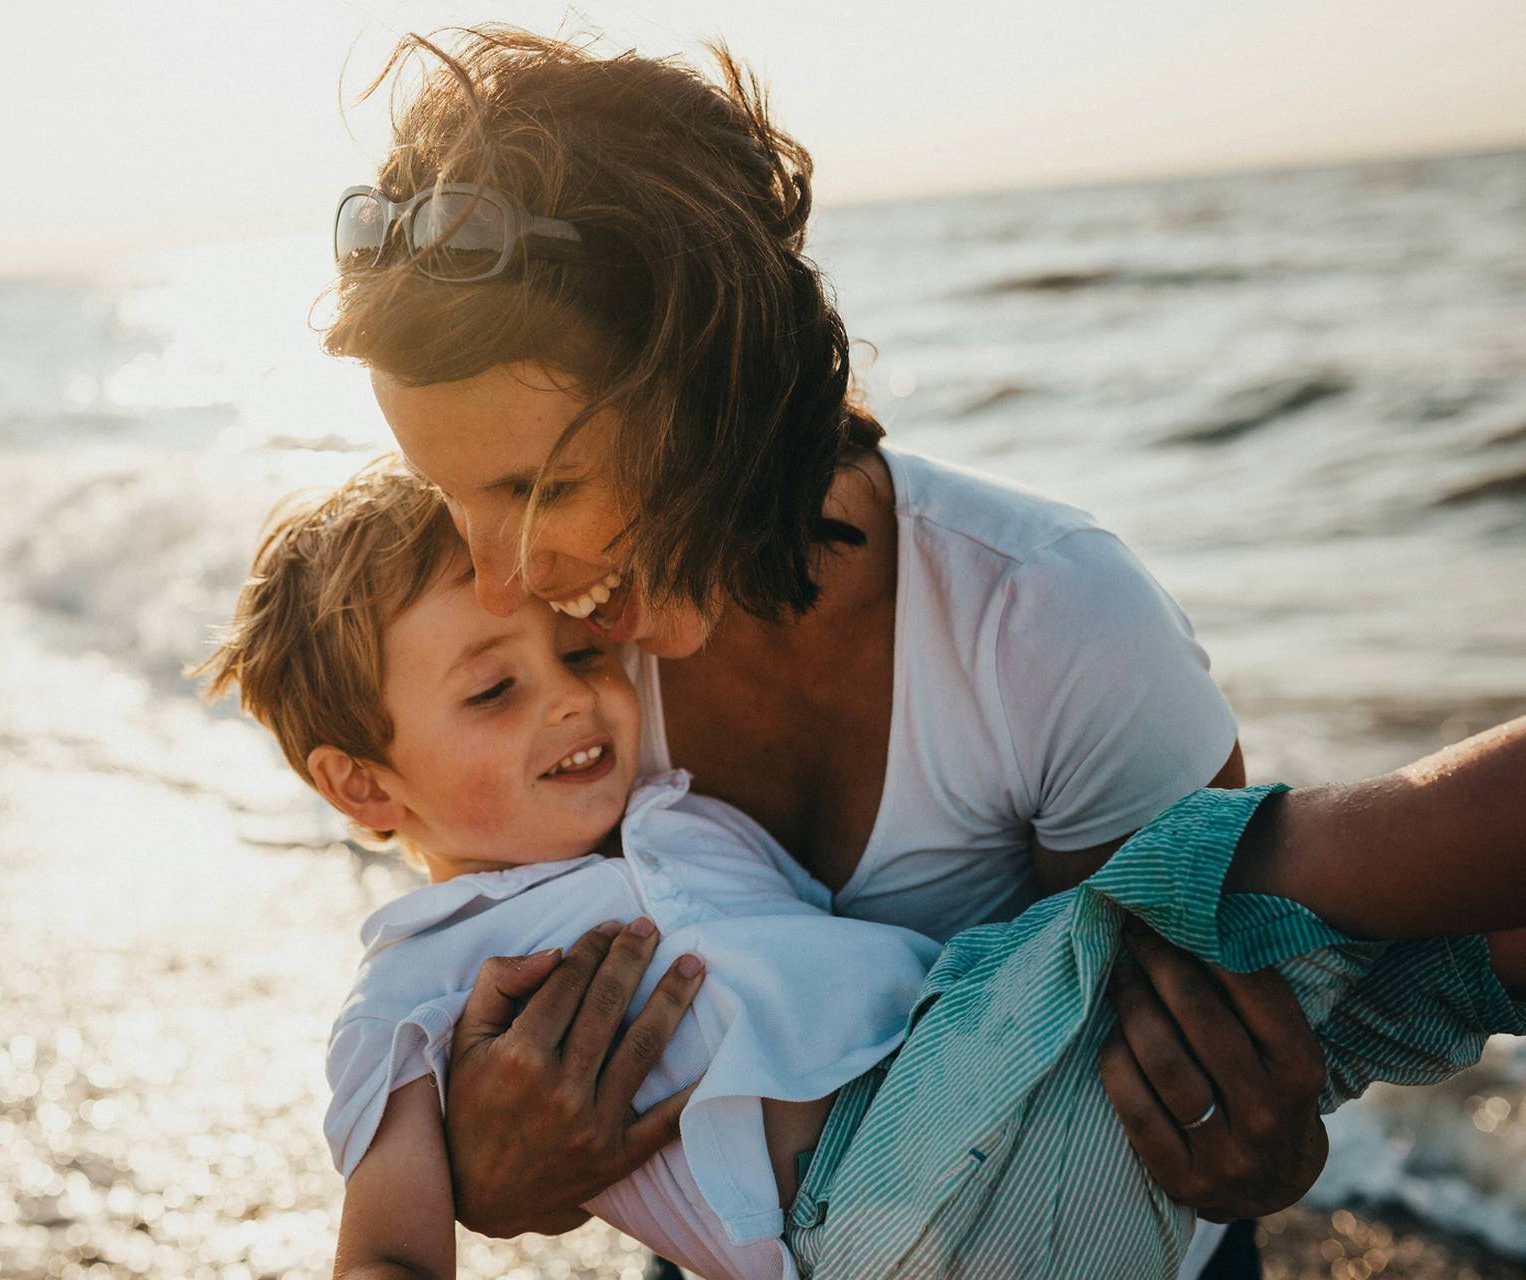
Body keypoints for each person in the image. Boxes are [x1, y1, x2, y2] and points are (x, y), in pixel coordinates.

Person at [323, 26, 1322, 1276]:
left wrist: (1263, 1144)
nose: (502, 575)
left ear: (717, 390)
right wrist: (495, 1165)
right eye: (449, 495)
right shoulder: (554, 669)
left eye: (542, 485)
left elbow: (1210, 1053)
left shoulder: (1052, 625)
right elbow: (492, 942)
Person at [195, 462, 1526, 1280]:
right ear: (363, 785)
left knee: (1394, 974)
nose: (575, 702)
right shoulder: (415, 982)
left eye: (583, 654)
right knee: (1228, 882)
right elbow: (384, 1243)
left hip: (1046, 1163)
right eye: (494, 688)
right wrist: (477, 1184)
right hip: (878, 1205)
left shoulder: (674, 811)